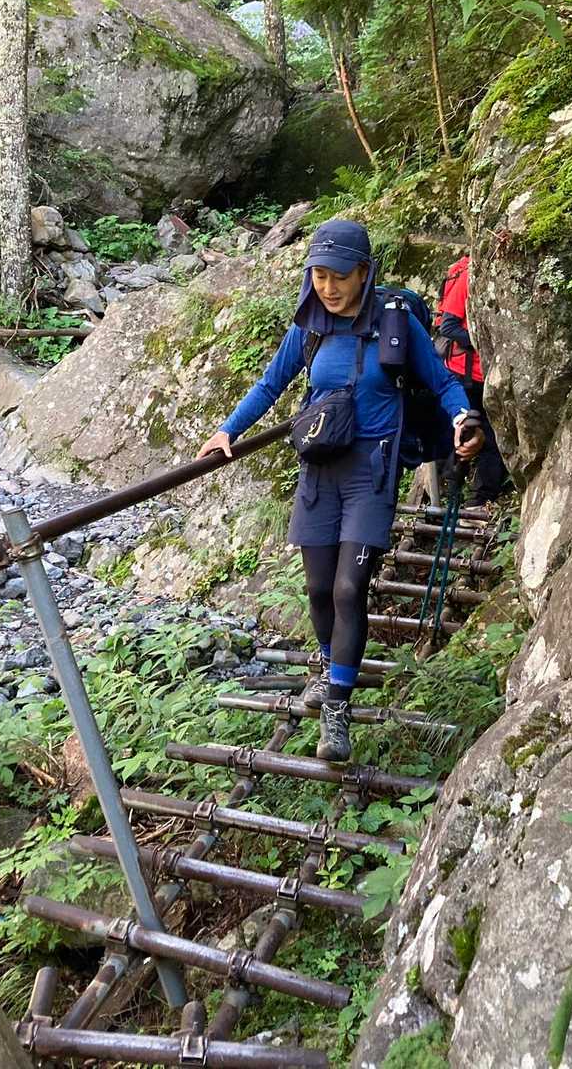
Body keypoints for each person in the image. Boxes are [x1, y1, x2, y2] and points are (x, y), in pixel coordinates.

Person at [198, 220, 482, 763]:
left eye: (339, 276)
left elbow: (444, 381)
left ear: (364, 273)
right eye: (319, 276)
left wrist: (460, 418)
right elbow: (271, 383)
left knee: (350, 589)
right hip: (319, 470)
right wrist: (227, 431)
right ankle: (331, 667)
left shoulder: (395, 323)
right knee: (318, 589)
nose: (328, 287)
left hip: (371, 473)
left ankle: (338, 708)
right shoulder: (310, 327)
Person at [436, 255, 509, 508]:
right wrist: (483, 342)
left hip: (489, 375)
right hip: (465, 375)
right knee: (470, 434)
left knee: (491, 436)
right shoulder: (469, 276)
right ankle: (454, 495)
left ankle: (479, 499)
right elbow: (448, 326)